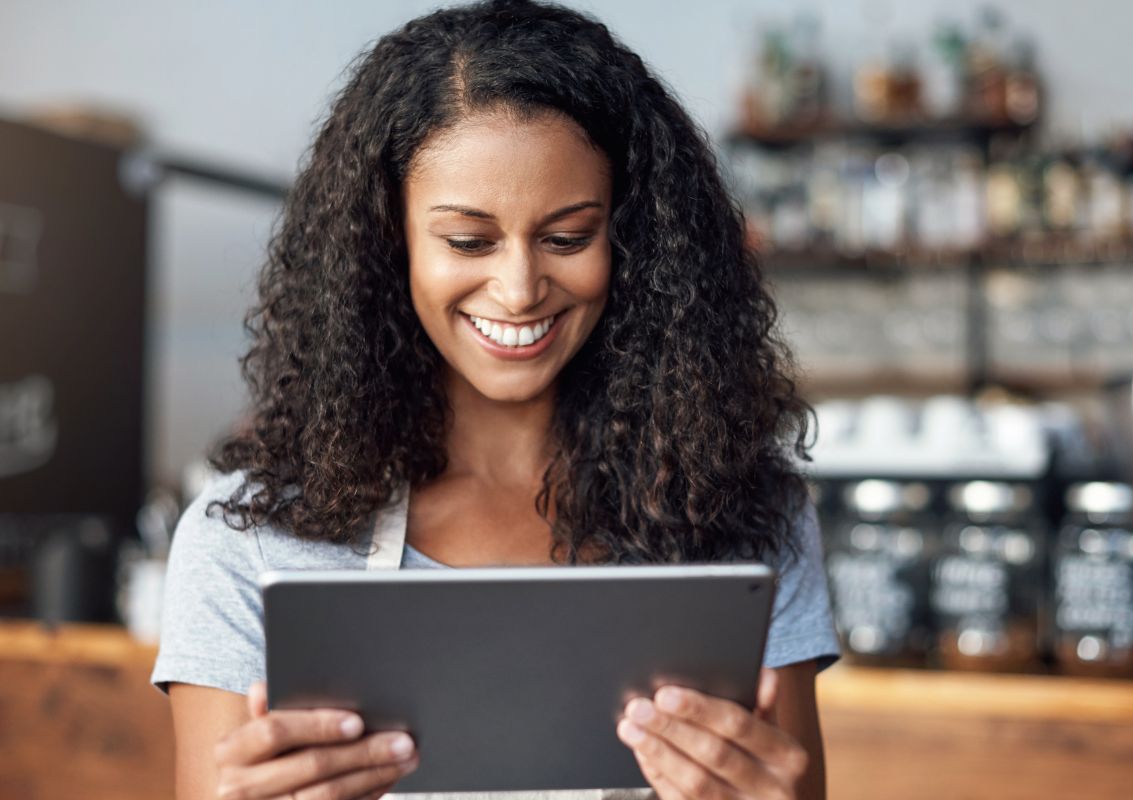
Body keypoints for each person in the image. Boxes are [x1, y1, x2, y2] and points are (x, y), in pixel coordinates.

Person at [149, 1, 840, 798]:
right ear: (388, 242)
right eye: (468, 241)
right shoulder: (248, 543)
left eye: (568, 237)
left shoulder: (743, 517)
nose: (518, 290)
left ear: (632, 240)